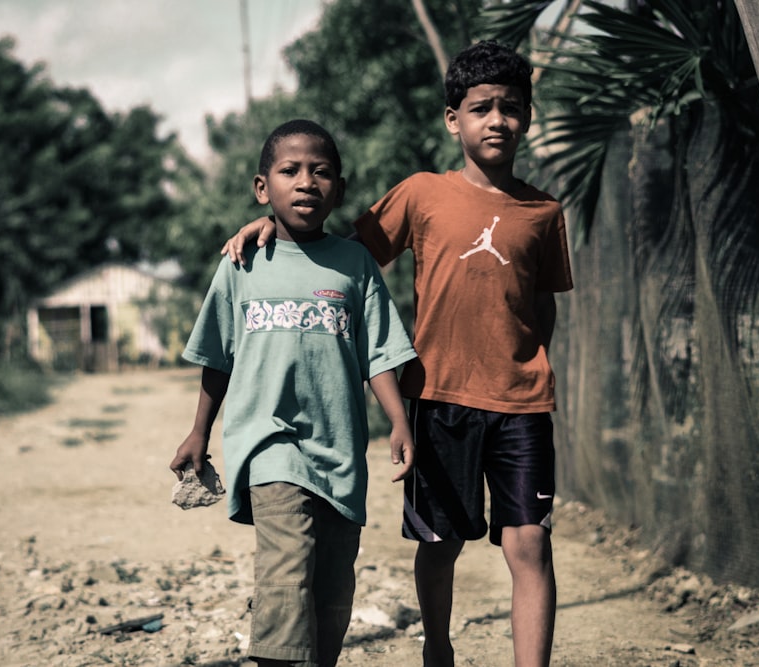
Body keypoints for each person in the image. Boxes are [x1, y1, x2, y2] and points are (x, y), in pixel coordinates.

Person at [221, 42, 573, 667]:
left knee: (530, 546)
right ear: (452, 119)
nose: (497, 120)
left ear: (528, 116)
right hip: (437, 398)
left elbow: (542, 305)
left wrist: (528, 366)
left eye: (512, 108)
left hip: (522, 403)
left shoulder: (544, 212)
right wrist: (270, 225)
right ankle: (438, 648)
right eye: (482, 108)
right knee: (440, 545)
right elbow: (334, 253)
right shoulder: (421, 194)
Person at [170, 119, 419, 667]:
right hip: (269, 444)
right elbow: (218, 355)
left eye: (321, 171)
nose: (306, 182)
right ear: (264, 189)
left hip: (339, 447)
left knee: (332, 581)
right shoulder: (241, 263)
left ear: (340, 189)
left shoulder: (354, 265)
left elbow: (378, 352)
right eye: (291, 171)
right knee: (286, 565)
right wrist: (198, 431)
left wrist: (399, 421)